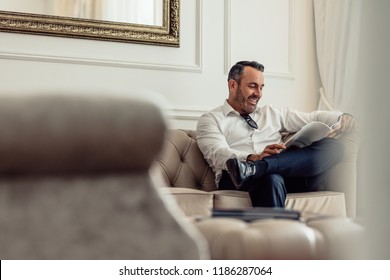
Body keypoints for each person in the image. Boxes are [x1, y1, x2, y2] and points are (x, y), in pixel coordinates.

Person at [196, 61, 356, 207]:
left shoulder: (273, 113)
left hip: (289, 175)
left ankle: (257, 168)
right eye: (252, 86)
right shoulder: (211, 119)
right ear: (233, 85)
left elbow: (313, 117)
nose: (258, 93)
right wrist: (253, 157)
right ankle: (254, 171)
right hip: (236, 180)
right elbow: (217, 153)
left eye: (261, 87)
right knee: (271, 178)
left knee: (335, 147)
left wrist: (341, 117)